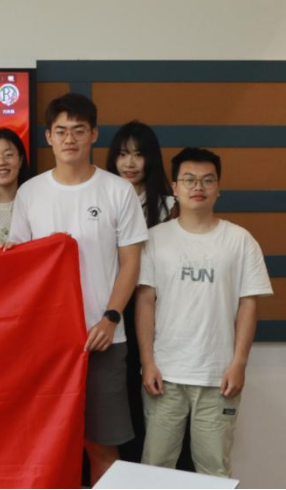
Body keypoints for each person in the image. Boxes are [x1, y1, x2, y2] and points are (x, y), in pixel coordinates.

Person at [8, 93, 149, 486]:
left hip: (103, 338)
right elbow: (20, 265)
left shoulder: (117, 191)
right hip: (46, 344)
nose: (69, 139)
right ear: (48, 137)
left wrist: (110, 317)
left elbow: (131, 263)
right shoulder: (30, 193)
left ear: (94, 135)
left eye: (78, 130)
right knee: (48, 445)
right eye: (61, 131)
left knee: (102, 447)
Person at [137, 148, 273, 478]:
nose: (198, 186)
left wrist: (239, 363)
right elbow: (145, 301)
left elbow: (248, 304)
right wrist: (148, 362)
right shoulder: (155, 239)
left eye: (207, 180)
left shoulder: (240, 241)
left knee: (214, 472)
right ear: (175, 187)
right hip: (165, 375)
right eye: (189, 179)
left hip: (218, 377)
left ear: (218, 188)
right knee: (155, 469)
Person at [105, 120, 178, 466]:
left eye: (138, 154)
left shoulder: (169, 205)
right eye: (122, 154)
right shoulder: (101, 198)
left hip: (156, 309)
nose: (130, 163)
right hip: (111, 305)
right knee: (119, 393)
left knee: (154, 389)